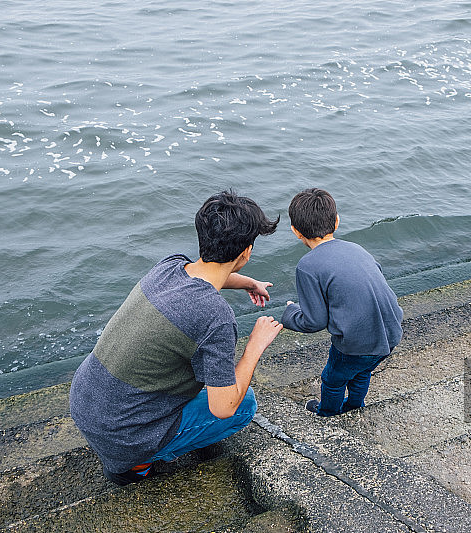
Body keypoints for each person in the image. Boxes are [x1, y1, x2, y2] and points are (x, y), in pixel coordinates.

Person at [70, 190, 283, 485]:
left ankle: (128, 452)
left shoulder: (170, 266)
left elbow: (209, 276)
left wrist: (249, 283)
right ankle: (136, 465)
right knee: (245, 404)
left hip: (85, 400)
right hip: (123, 435)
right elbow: (223, 408)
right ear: (246, 252)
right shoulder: (217, 318)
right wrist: (255, 346)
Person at [281, 188, 403, 416]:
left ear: (296, 232)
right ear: (336, 222)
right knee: (362, 371)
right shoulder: (357, 249)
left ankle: (327, 412)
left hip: (356, 343)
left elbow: (314, 321)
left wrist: (290, 314)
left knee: (333, 378)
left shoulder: (307, 266)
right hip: (391, 333)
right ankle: (355, 405)